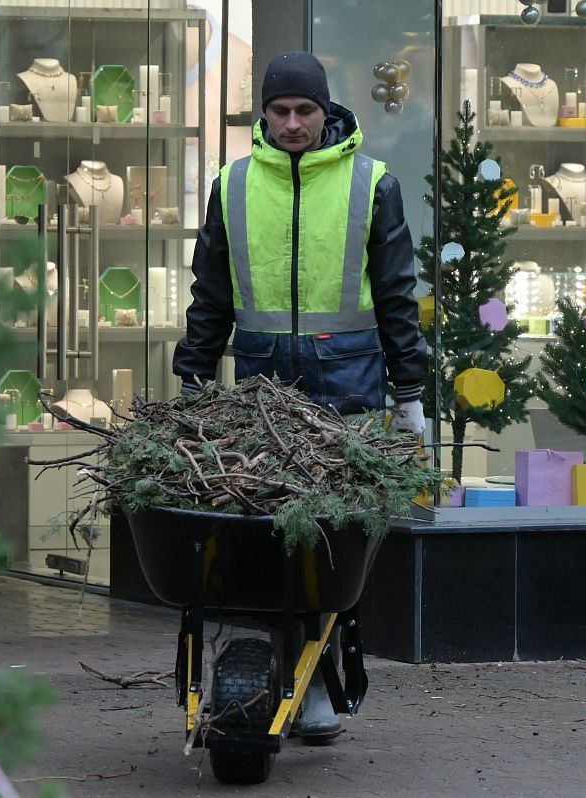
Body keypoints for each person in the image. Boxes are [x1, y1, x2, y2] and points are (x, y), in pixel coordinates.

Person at [172, 51, 428, 743]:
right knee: (264, 540)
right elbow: (211, 296)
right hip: (263, 395)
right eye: (280, 111)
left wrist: (409, 392)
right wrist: (193, 380)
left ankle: (317, 677)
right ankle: (282, 671)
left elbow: (397, 296)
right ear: (264, 113)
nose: (291, 123)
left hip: (347, 389)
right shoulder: (232, 186)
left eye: (304, 110)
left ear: (326, 110)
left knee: (325, 544)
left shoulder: (371, 184)